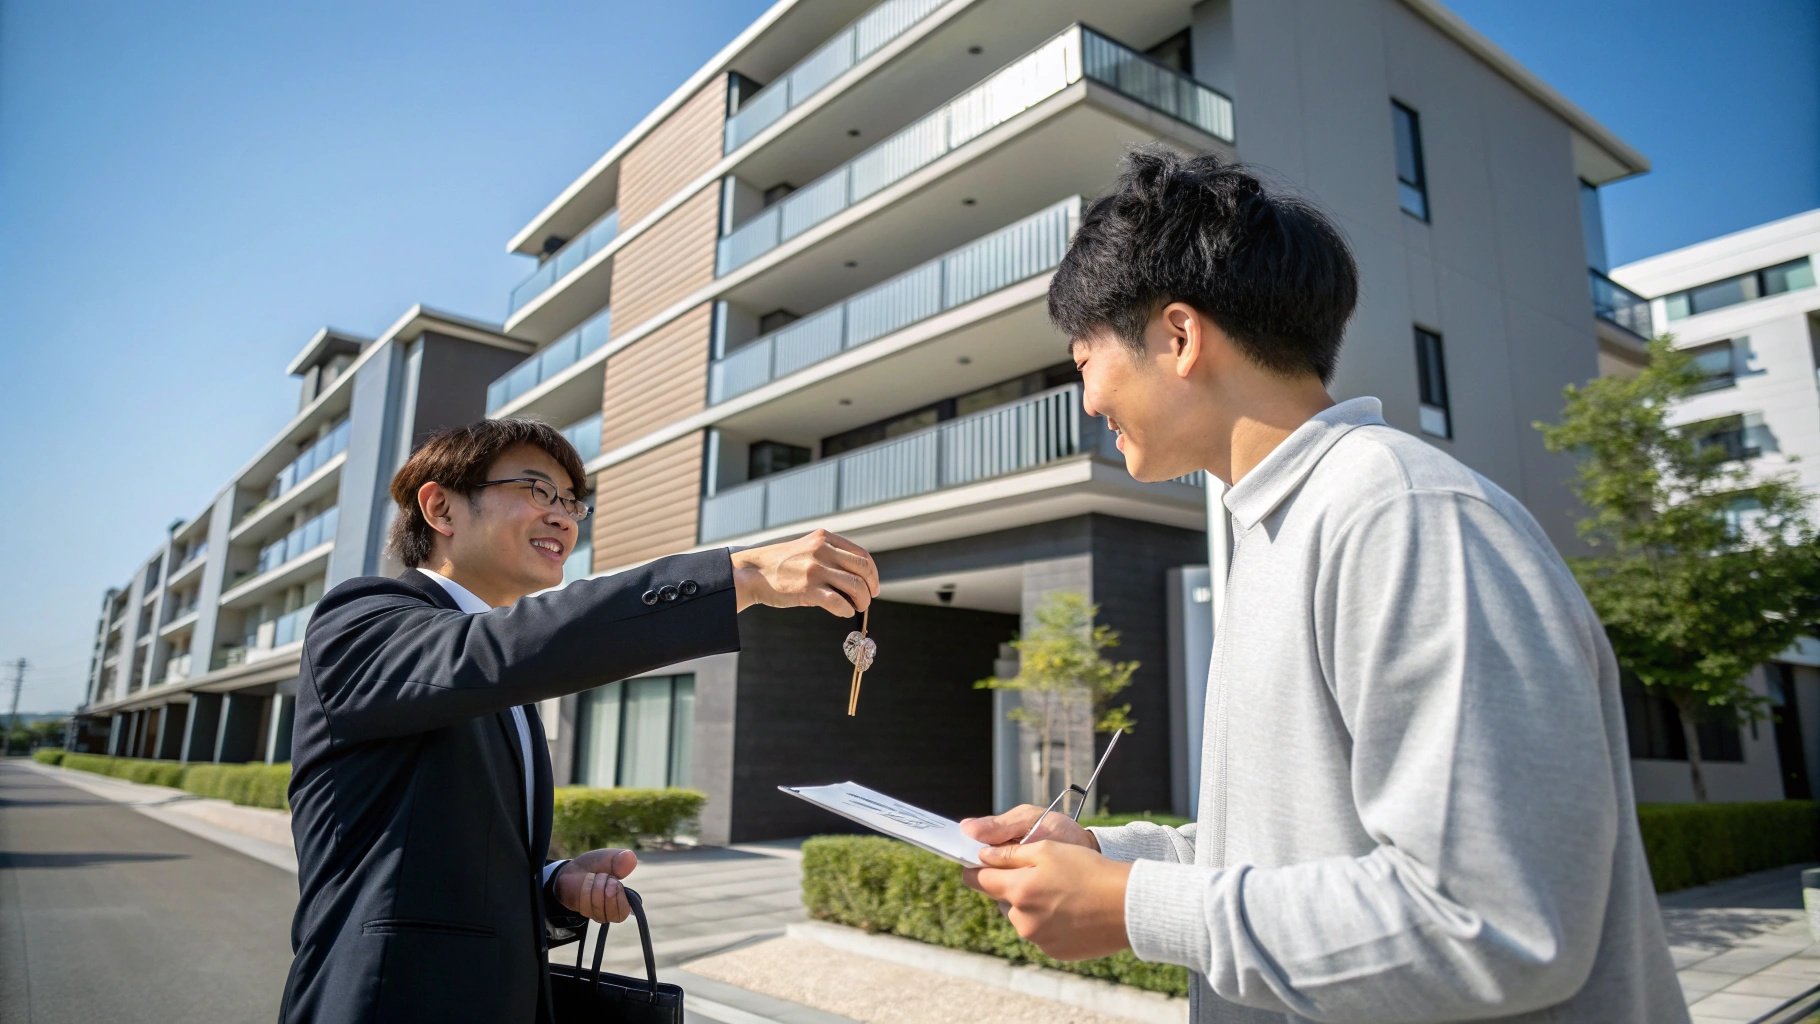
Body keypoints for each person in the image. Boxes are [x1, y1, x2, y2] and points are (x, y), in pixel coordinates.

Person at [960, 149, 1687, 1022]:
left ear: (1179, 337)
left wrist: (1128, 907)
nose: (1086, 402)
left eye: (1084, 361)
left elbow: (1493, 923)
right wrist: (1106, 858)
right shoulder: (1282, 531)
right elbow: (1293, 857)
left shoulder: (1406, 516)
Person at [279, 418, 878, 1024]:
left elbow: (432, 869)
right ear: (440, 507)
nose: (564, 517)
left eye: (571, 501)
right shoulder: (362, 624)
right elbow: (499, 650)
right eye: (537, 490)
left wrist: (550, 887)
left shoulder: (504, 682)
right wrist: (739, 578)